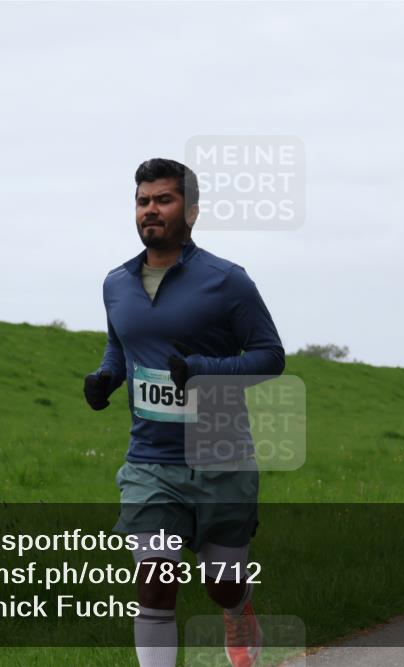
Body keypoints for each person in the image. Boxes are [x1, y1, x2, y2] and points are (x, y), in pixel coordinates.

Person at [84, 158, 285, 667]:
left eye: (163, 199)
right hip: (150, 462)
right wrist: (107, 377)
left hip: (222, 456)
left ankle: (238, 609)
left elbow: (270, 356)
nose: (151, 209)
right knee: (154, 583)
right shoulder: (116, 284)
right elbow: (121, 343)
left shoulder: (227, 281)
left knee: (222, 583)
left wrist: (202, 369)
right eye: (143, 201)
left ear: (191, 212)